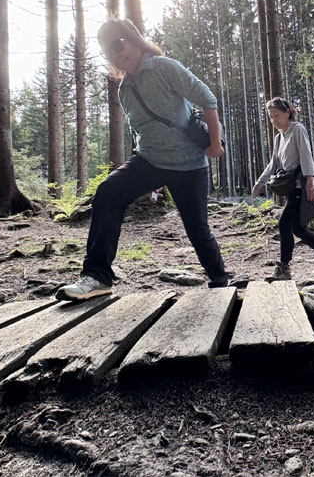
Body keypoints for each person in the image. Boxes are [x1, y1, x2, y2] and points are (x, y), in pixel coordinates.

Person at [57, 19, 228, 301]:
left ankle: (221, 283)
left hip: (189, 165)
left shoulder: (164, 67)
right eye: (107, 52)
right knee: (108, 192)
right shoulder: (124, 90)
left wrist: (213, 144)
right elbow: (140, 132)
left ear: (133, 39)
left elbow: (207, 98)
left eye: (117, 44)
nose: (115, 54)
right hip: (149, 161)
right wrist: (149, 180)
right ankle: (97, 277)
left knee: (197, 229)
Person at [251, 97, 314, 280]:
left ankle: (284, 268)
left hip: (300, 187)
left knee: (284, 223)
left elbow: (306, 156)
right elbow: (273, 163)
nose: (274, 121)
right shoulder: (279, 138)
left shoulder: (298, 130)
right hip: (289, 188)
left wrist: (311, 182)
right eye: (270, 117)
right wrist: (260, 182)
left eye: (277, 115)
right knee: (299, 229)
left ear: (287, 113)